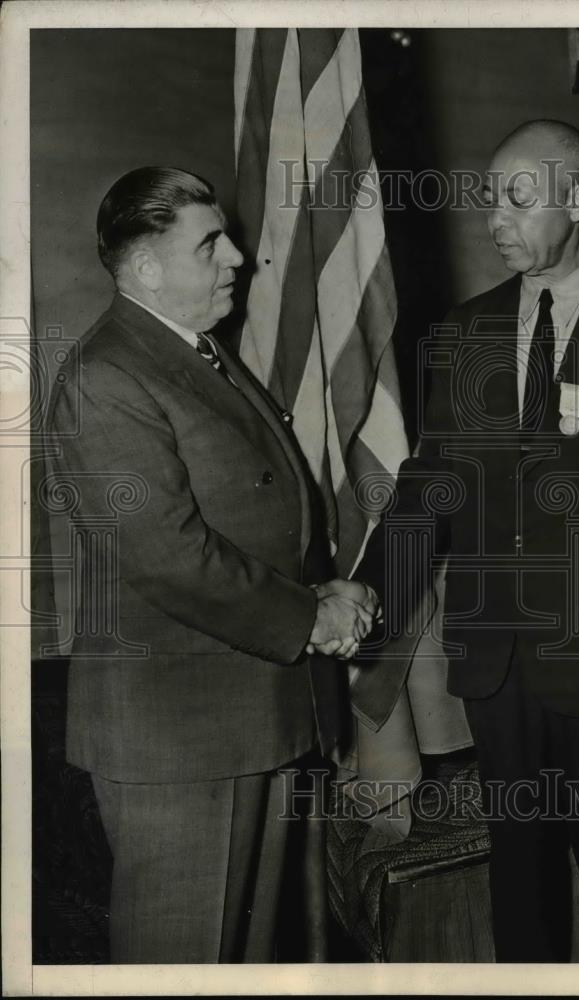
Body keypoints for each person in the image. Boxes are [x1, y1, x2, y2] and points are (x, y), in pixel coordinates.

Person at [354, 120, 579, 961]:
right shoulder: (465, 331)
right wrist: (367, 594)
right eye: (490, 199)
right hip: (493, 664)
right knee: (518, 886)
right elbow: (431, 486)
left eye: (518, 198)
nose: (496, 219)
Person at [47, 166, 373, 963]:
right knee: (181, 962)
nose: (236, 257)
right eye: (210, 244)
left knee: (244, 962)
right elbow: (167, 557)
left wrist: (321, 588)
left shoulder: (194, 354)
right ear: (149, 267)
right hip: (180, 737)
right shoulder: (106, 376)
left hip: (252, 713)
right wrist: (311, 618)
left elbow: (261, 512)